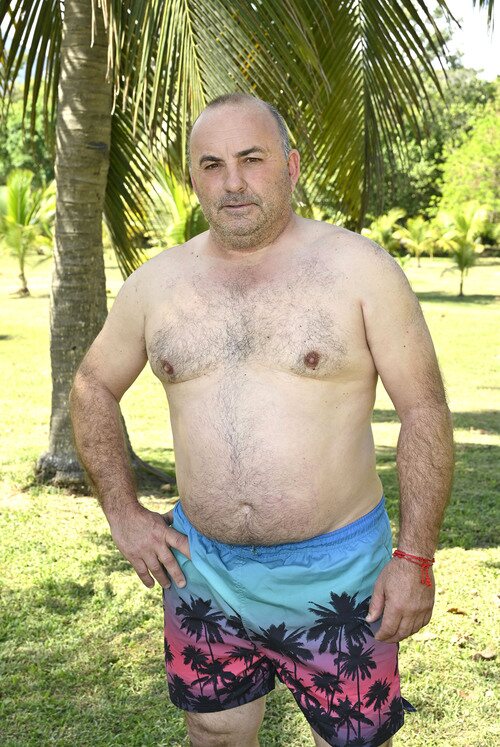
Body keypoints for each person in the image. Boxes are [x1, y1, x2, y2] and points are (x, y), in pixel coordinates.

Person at [70, 92, 454, 747]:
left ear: (291, 165)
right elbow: (92, 385)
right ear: (193, 178)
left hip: (339, 575)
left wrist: (414, 558)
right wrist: (122, 512)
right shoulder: (157, 284)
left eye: (252, 159)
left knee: (353, 740)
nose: (233, 182)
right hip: (202, 570)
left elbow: (423, 411)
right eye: (212, 164)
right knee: (213, 730)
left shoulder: (360, 270)